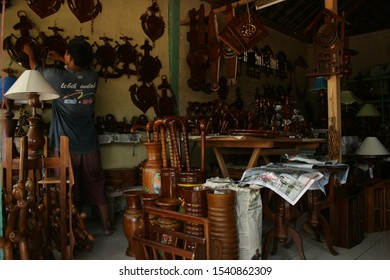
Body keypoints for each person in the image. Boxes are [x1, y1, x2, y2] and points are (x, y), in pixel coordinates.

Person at [23, 36, 114, 235]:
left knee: (66, 188)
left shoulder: (56, 76)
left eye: (66, 54)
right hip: (90, 144)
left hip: (65, 146)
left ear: (69, 56)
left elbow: (35, 69)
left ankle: (70, 230)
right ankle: (107, 227)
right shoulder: (93, 77)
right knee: (97, 184)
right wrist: (64, 59)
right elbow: (77, 72)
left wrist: (30, 53)